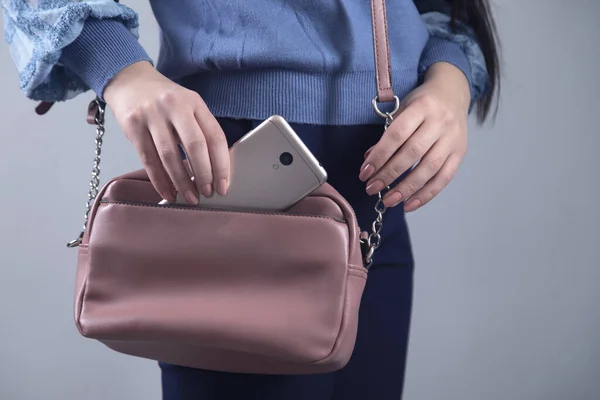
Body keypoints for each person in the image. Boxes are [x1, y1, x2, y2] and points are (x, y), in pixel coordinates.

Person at [2, 0, 500, 398]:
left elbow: (446, 11)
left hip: (379, 181)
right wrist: (121, 70)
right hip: (238, 170)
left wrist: (449, 83)